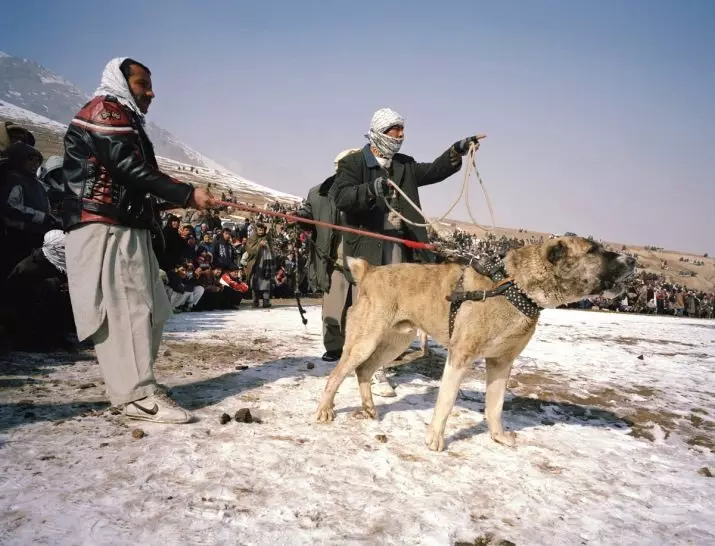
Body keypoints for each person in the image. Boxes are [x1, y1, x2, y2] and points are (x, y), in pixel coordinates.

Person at [62, 57, 216, 424]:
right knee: (127, 311)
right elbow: (127, 169)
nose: (151, 92)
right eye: (142, 84)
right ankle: (136, 398)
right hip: (106, 228)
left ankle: (139, 386)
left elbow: (134, 178)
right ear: (120, 82)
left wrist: (182, 196)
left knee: (151, 310)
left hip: (129, 227)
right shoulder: (104, 111)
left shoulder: (126, 119)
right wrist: (185, 194)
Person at [330, 107, 483, 396]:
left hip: (400, 249)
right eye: (394, 129)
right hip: (369, 250)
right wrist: (371, 189)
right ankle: (370, 370)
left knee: (397, 312)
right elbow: (341, 197)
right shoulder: (352, 164)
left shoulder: (404, 165)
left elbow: (434, 171)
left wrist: (457, 150)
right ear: (379, 132)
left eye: (402, 129)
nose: (400, 135)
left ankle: (378, 366)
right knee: (375, 315)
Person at [297, 148, 361, 362]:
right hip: (333, 261)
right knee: (333, 308)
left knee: (362, 309)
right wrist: (299, 218)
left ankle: (361, 350)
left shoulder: (365, 191)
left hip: (363, 262)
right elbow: (307, 213)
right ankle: (334, 348)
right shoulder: (318, 193)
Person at [245, 223, 275, 308]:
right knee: (255, 283)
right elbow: (249, 250)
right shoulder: (252, 238)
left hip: (266, 264)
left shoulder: (267, 238)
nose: (261, 231)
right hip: (256, 264)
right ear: (256, 230)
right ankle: (255, 301)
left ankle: (266, 302)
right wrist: (259, 245)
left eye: (263, 229)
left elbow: (272, 250)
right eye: (259, 229)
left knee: (266, 282)